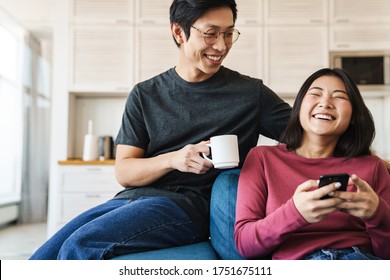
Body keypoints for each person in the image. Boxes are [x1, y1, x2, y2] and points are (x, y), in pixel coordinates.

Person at [29, 0, 291, 260]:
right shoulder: (145, 94)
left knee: (81, 246)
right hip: (130, 200)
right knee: (44, 257)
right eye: (211, 33)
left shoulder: (250, 94)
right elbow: (125, 171)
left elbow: (307, 134)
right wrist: (175, 159)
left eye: (228, 33)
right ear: (179, 32)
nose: (222, 46)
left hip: (187, 207)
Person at [234, 68, 390, 260]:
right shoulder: (262, 158)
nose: (325, 103)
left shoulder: (373, 167)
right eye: (316, 94)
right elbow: (245, 245)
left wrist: (378, 214)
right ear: (299, 107)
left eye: (339, 97)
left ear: (353, 116)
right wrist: (295, 212)